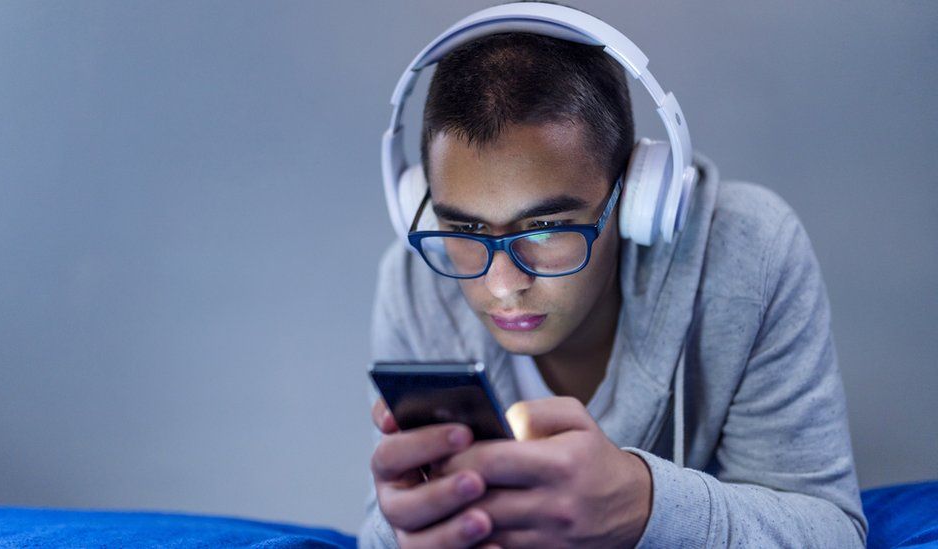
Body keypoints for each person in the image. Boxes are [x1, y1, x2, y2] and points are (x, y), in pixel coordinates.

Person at [360, 5, 867, 548]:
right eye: (463, 227)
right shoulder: (416, 281)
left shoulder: (749, 253)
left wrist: (646, 506)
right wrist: (403, 529)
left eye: (547, 226)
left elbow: (833, 531)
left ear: (637, 201)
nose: (503, 284)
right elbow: (378, 532)